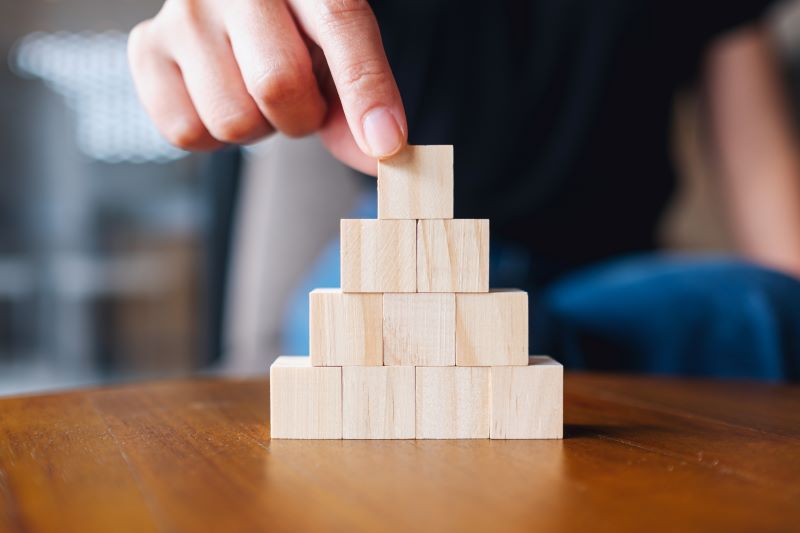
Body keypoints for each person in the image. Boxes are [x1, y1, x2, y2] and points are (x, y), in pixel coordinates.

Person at [129, 0, 800, 380]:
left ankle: (544, 350)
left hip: (615, 279)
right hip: (415, 255)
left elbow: (763, 169)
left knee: (771, 308)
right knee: (378, 333)